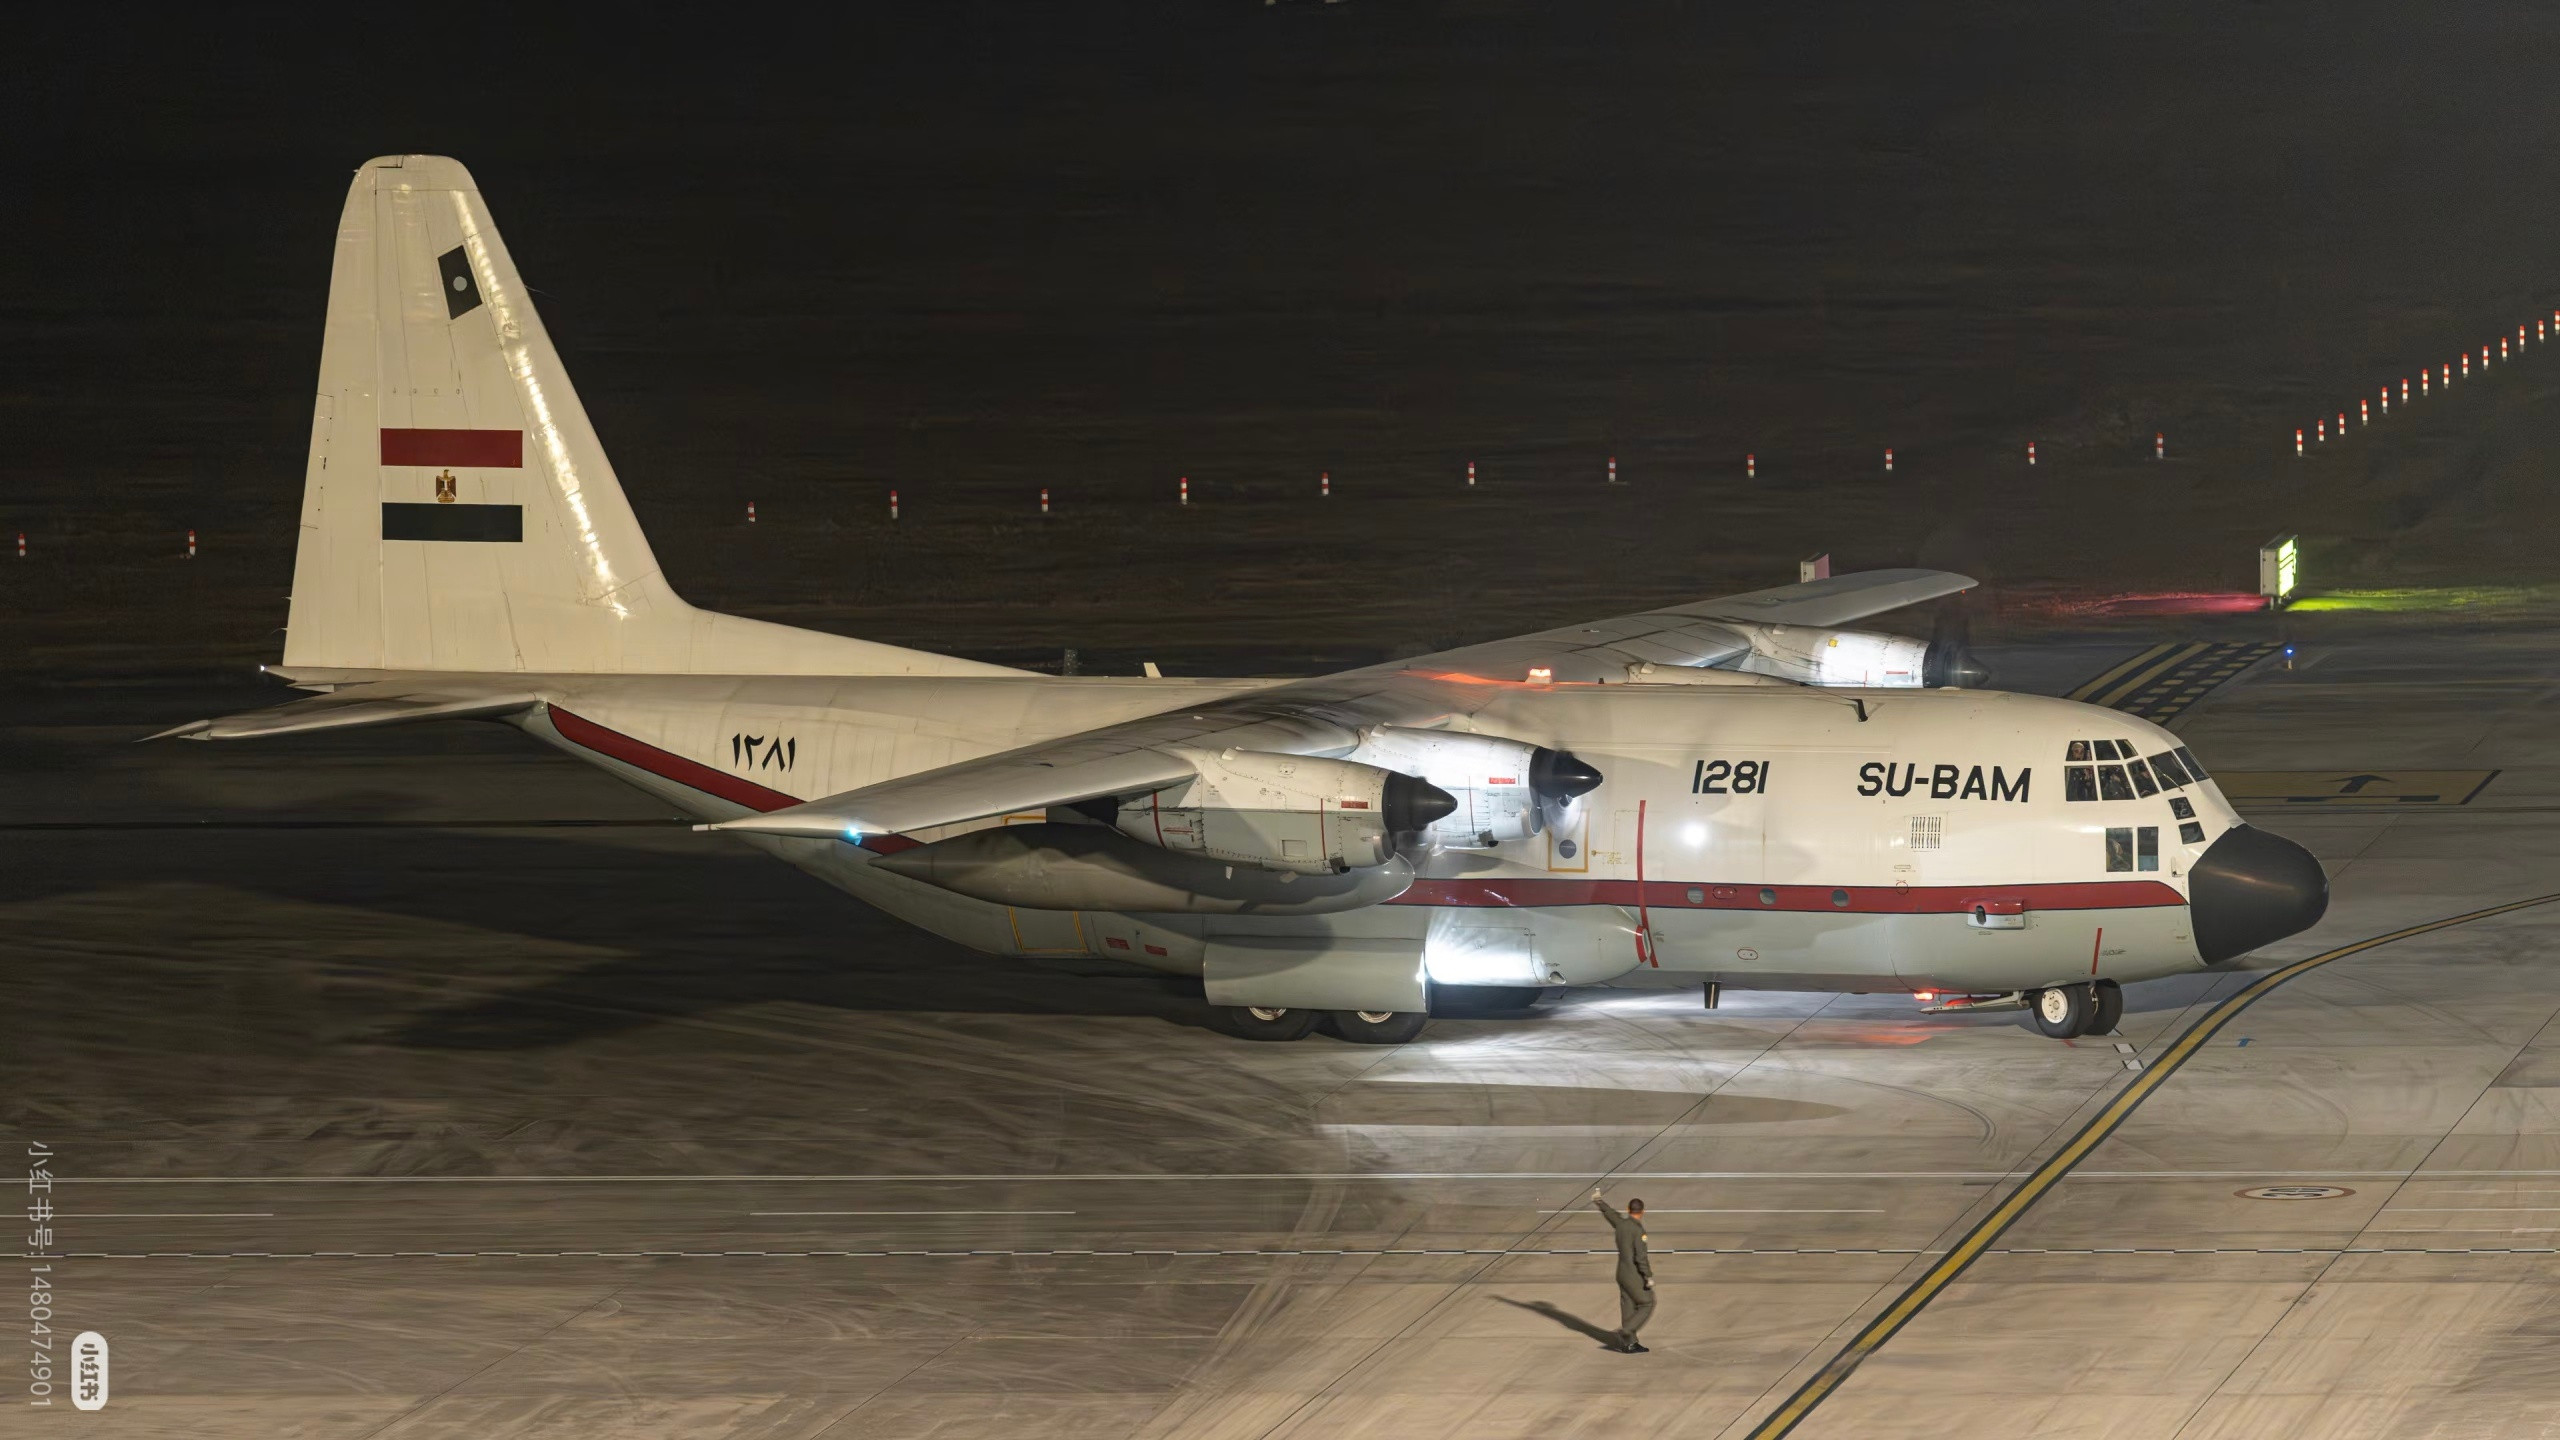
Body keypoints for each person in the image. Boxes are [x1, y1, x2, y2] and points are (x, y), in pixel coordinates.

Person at [1591, 1189, 1654, 1353]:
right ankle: (1626, 1331)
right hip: (1633, 1274)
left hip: (1621, 1272)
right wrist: (1648, 1276)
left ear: (1628, 1209)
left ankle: (1630, 1344)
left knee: (1628, 1306)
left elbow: (1610, 1214)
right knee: (1647, 1303)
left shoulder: (1621, 1223)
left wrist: (1599, 1201)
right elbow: (1640, 1257)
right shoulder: (1638, 1230)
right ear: (1642, 1211)